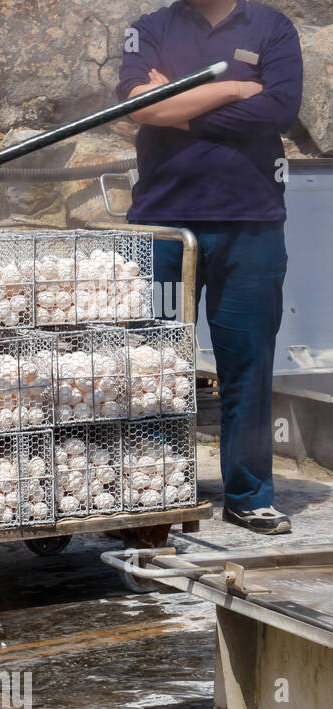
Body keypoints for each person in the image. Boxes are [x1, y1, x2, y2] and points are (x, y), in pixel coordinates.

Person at [119, 0, 303, 534]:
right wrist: (232, 88)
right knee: (151, 368)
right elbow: (138, 108)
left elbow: (280, 110)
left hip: (253, 225)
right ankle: (152, 489)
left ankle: (248, 495)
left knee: (247, 365)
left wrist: (178, 98)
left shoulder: (272, 27)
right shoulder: (148, 29)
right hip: (164, 229)